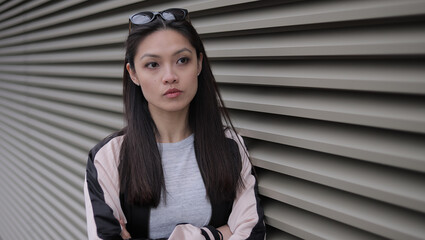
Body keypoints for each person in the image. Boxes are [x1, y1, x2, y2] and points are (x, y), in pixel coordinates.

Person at [84, 8, 266, 240]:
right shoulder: (108, 157)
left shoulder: (229, 146)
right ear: (133, 74)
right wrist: (216, 235)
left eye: (182, 60)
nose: (170, 76)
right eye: (152, 64)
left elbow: (253, 233)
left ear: (199, 63)